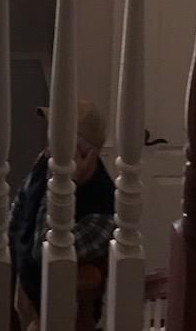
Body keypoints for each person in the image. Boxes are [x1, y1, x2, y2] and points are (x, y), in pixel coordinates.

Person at [9, 100, 116, 331]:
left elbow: (46, 250)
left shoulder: (103, 204)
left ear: (86, 153)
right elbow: (17, 212)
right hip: (27, 293)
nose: (49, 146)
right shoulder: (45, 162)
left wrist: (62, 186)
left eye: (57, 138)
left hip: (63, 311)